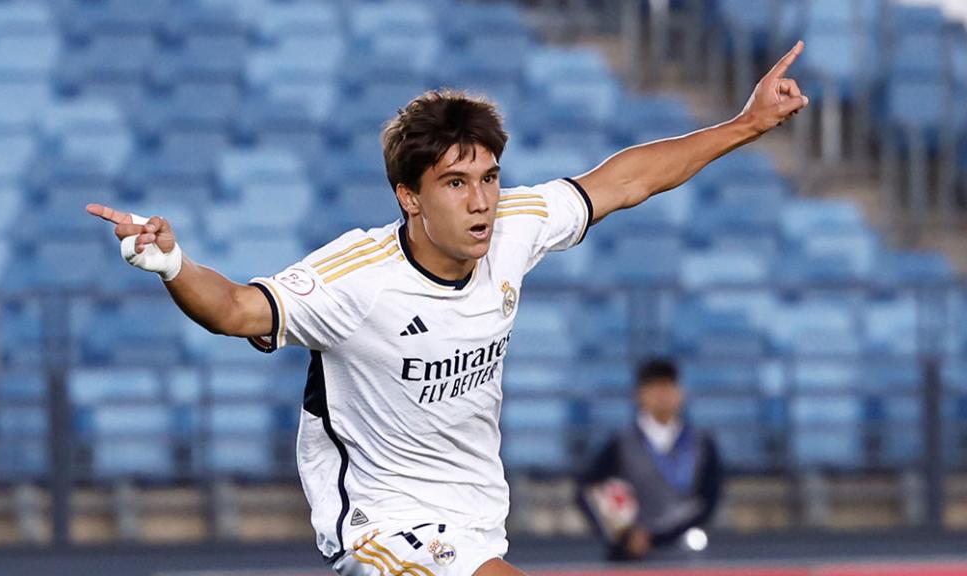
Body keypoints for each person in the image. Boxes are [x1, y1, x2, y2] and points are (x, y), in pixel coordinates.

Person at [86, 41, 808, 576]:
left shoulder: (515, 225)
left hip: (475, 516)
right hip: (381, 523)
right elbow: (239, 310)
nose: (482, 200)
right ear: (410, 196)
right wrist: (173, 265)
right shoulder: (356, 278)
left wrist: (746, 124)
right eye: (457, 183)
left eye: (490, 177)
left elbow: (624, 182)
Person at [577, 358, 722, 561]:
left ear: (680, 393)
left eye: (667, 386)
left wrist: (660, 537)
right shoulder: (620, 443)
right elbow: (588, 490)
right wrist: (625, 535)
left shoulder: (702, 444)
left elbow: (710, 498)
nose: (661, 395)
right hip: (631, 556)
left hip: (685, 554)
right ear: (639, 395)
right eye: (654, 387)